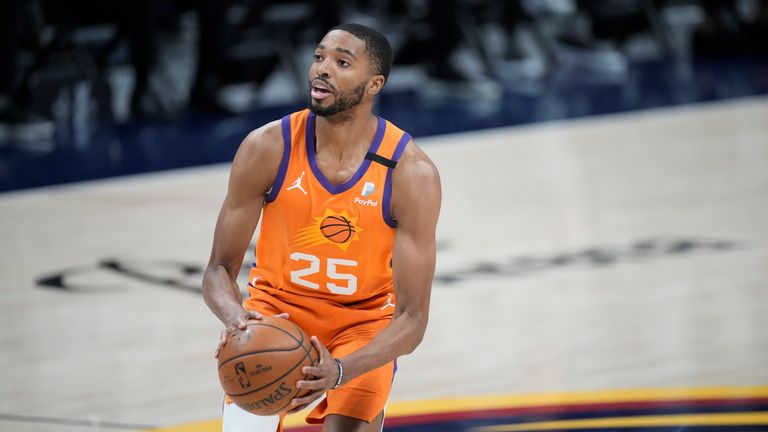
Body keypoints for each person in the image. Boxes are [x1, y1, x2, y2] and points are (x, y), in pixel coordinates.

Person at [202, 22, 442, 432]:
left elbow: (411, 319)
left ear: (374, 84)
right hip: (275, 316)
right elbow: (218, 270)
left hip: (362, 326)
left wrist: (341, 371)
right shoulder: (267, 147)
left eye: (342, 62)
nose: (321, 70)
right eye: (318, 57)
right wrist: (236, 320)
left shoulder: (411, 173)